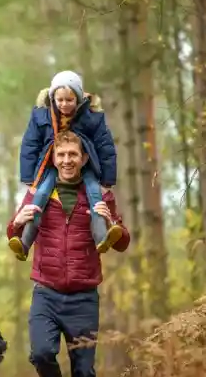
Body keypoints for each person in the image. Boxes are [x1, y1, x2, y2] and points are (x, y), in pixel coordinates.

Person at [5, 128, 130, 377]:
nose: (67, 160)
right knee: (42, 353)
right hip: (45, 291)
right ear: (54, 159)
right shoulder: (38, 193)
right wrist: (17, 222)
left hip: (84, 296)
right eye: (61, 155)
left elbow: (123, 242)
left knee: (85, 373)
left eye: (73, 154)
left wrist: (112, 222)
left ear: (84, 157)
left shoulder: (101, 195)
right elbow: (13, 234)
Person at [9, 70, 123, 262]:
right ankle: (25, 242)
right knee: (40, 197)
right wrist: (29, 178)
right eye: (59, 100)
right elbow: (30, 145)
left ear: (78, 99)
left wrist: (107, 181)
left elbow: (106, 148)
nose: (64, 105)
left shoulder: (92, 117)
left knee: (95, 195)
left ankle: (102, 236)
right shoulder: (41, 116)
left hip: (85, 165)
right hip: (50, 165)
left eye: (69, 100)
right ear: (53, 98)